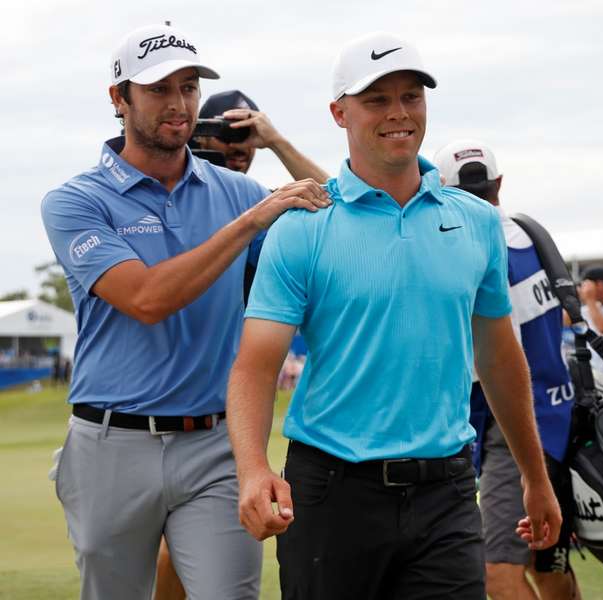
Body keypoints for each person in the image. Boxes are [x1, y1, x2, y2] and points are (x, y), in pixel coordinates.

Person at [225, 32, 561, 600]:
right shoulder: (302, 227)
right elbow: (254, 369)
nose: (399, 113)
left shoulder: (476, 222)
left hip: (448, 491)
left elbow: (501, 360)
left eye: (411, 96)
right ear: (340, 113)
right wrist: (254, 472)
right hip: (332, 491)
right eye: (377, 100)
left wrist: (535, 477)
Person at [41, 23, 331, 600]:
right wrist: (252, 220)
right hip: (109, 445)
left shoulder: (238, 191)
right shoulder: (76, 201)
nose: (178, 104)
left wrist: (274, 142)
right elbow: (148, 298)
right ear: (119, 98)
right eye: (159, 89)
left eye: (189, 86)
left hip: (216, 448)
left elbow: (346, 218)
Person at [154, 87, 330, 600]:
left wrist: (275, 140)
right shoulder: (177, 200)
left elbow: (342, 207)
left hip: (221, 405)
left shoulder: (261, 209)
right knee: (168, 553)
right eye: (219, 138)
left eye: (244, 143)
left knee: (202, 558)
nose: (236, 152)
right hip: (159, 398)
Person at [433, 139, 581, 600]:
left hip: (511, 425)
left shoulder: (469, 246)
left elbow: (493, 363)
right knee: (547, 565)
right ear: (498, 183)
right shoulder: (529, 235)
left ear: (441, 190)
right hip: (557, 415)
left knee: (496, 571)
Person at [192, 89, 328, 181]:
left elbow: (333, 199)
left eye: (244, 133)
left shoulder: (255, 198)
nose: (238, 146)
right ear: (201, 135)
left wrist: (276, 142)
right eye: (228, 133)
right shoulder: (179, 192)